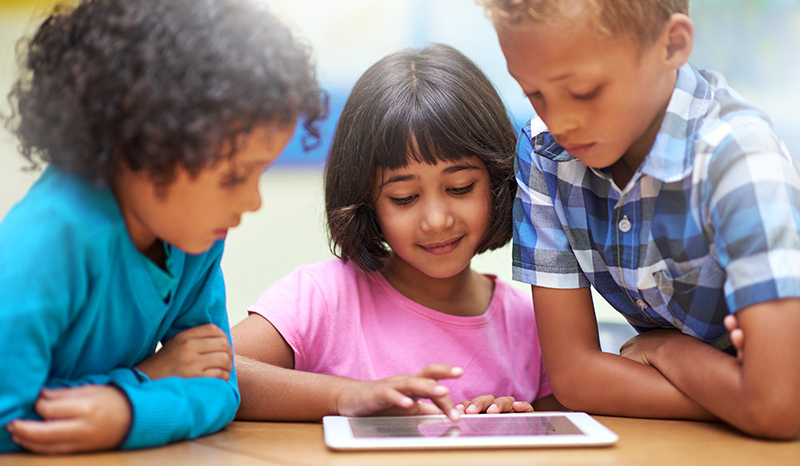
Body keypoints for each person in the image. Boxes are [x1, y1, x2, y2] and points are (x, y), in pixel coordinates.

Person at [0, 0, 326, 454]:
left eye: (259, 174)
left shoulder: (195, 239)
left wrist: (128, 412)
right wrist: (143, 381)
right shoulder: (44, 240)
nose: (253, 202)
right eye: (233, 176)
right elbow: (8, 420)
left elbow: (222, 389)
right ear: (142, 143)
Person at [478, 0, 800, 439]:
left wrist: (666, 350)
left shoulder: (738, 158)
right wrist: (740, 396)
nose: (561, 121)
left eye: (586, 91)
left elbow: (780, 404)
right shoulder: (545, 152)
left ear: (671, 45)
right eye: (534, 93)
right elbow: (575, 377)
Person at [231, 43, 561, 422]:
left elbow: (561, 415)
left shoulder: (529, 322)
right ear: (366, 199)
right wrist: (347, 396)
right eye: (404, 198)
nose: (436, 220)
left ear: (498, 181)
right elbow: (210, 373)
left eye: (460, 188)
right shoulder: (321, 298)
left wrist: (516, 418)